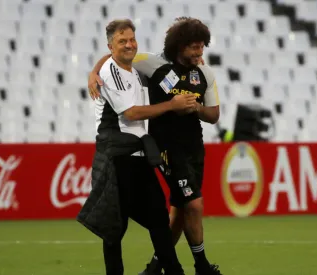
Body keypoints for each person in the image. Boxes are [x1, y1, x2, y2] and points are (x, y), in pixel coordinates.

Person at [88, 17, 222, 275]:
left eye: (201, 46)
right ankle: (201, 266)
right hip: (158, 150)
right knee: (190, 204)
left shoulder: (203, 73)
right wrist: (94, 71)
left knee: (171, 213)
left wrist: (195, 108)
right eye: (193, 47)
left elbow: (214, 115)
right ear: (178, 45)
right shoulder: (151, 63)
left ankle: (157, 268)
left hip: (185, 148)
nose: (198, 52)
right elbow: (115, 60)